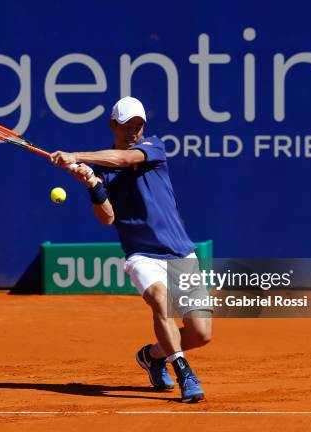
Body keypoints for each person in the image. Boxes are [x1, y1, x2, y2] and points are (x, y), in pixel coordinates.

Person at [50, 96, 212, 403]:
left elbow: (124, 159)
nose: (134, 133)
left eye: (139, 126)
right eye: (127, 127)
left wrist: (76, 156)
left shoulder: (153, 148)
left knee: (201, 334)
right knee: (160, 300)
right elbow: (107, 218)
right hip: (142, 255)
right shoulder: (103, 170)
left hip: (180, 253)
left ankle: (152, 356)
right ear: (113, 125)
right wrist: (93, 186)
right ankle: (184, 372)